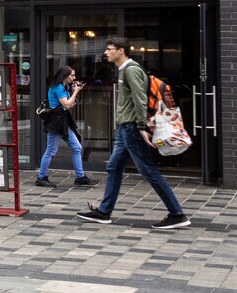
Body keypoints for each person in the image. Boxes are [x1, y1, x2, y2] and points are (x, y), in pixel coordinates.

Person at [77, 38, 189, 229]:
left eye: (109, 49)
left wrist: (141, 126)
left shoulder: (131, 70)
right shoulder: (123, 70)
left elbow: (140, 100)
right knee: (113, 167)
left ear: (121, 51)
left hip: (132, 128)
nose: (106, 53)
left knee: (148, 170)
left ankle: (177, 214)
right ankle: (104, 212)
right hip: (124, 128)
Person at [36, 65, 90, 188]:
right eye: (72, 75)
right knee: (51, 150)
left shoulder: (63, 87)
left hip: (62, 121)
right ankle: (41, 177)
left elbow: (69, 105)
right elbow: (66, 105)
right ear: (65, 76)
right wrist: (76, 92)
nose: (74, 77)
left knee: (76, 147)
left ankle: (80, 176)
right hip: (56, 122)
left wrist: (72, 91)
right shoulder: (59, 87)